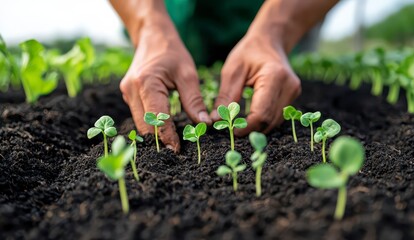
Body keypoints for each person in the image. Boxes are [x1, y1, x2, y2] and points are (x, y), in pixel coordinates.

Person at [110, 0, 338, 153]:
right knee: (150, 84)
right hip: (167, 11)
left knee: (275, 86)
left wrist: (278, 29)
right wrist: (147, 25)